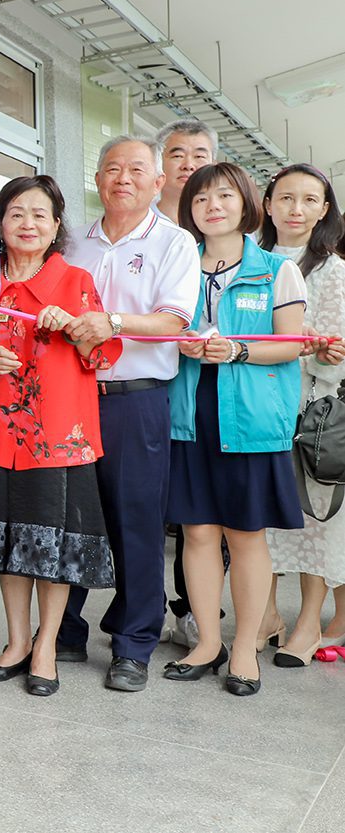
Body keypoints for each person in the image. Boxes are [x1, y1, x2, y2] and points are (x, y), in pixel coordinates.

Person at [0, 176, 120, 697]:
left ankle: (47, 644)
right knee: (11, 544)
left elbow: (104, 357)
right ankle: (14, 642)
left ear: (56, 226)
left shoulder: (75, 281)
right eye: (15, 213)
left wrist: (77, 325)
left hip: (59, 439)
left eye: (39, 215)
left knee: (52, 549)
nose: (26, 224)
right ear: (0, 223)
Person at [162, 162, 309, 697]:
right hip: (188, 413)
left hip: (248, 419)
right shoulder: (179, 266)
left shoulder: (276, 269)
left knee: (246, 535)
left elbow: (292, 343)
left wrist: (239, 350)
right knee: (197, 532)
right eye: (201, 200)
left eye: (224, 196)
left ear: (247, 203)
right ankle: (206, 641)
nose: (213, 206)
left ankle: (245, 645)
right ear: (190, 211)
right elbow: (163, 326)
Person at [59, 135, 199, 692]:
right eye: (112, 169)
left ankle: (134, 642)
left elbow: (174, 321)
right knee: (68, 518)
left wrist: (112, 323)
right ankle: (64, 631)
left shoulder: (174, 242)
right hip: (71, 399)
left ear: (158, 181)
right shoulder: (73, 244)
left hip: (136, 399)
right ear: (97, 179)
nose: (123, 178)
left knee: (137, 521)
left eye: (137, 170)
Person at [258, 165, 345, 666]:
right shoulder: (251, 260)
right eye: (286, 198)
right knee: (260, 523)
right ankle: (265, 613)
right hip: (256, 406)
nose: (296, 209)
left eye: (309, 200)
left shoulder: (332, 271)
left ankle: (308, 621)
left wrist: (317, 352)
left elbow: (336, 351)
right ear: (267, 204)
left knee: (314, 522)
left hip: (308, 414)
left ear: (324, 210)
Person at [153, 120, 219, 648]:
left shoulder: (218, 234)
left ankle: (194, 609)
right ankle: (142, 607)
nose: (188, 163)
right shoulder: (141, 226)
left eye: (199, 153)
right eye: (177, 153)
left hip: (205, 390)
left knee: (200, 514)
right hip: (150, 387)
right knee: (149, 507)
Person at [153, 120, 216, 227]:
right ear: (157, 163)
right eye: (178, 156)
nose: (188, 165)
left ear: (214, 166)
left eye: (199, 156)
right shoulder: (136, 221)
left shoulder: (227, 227)